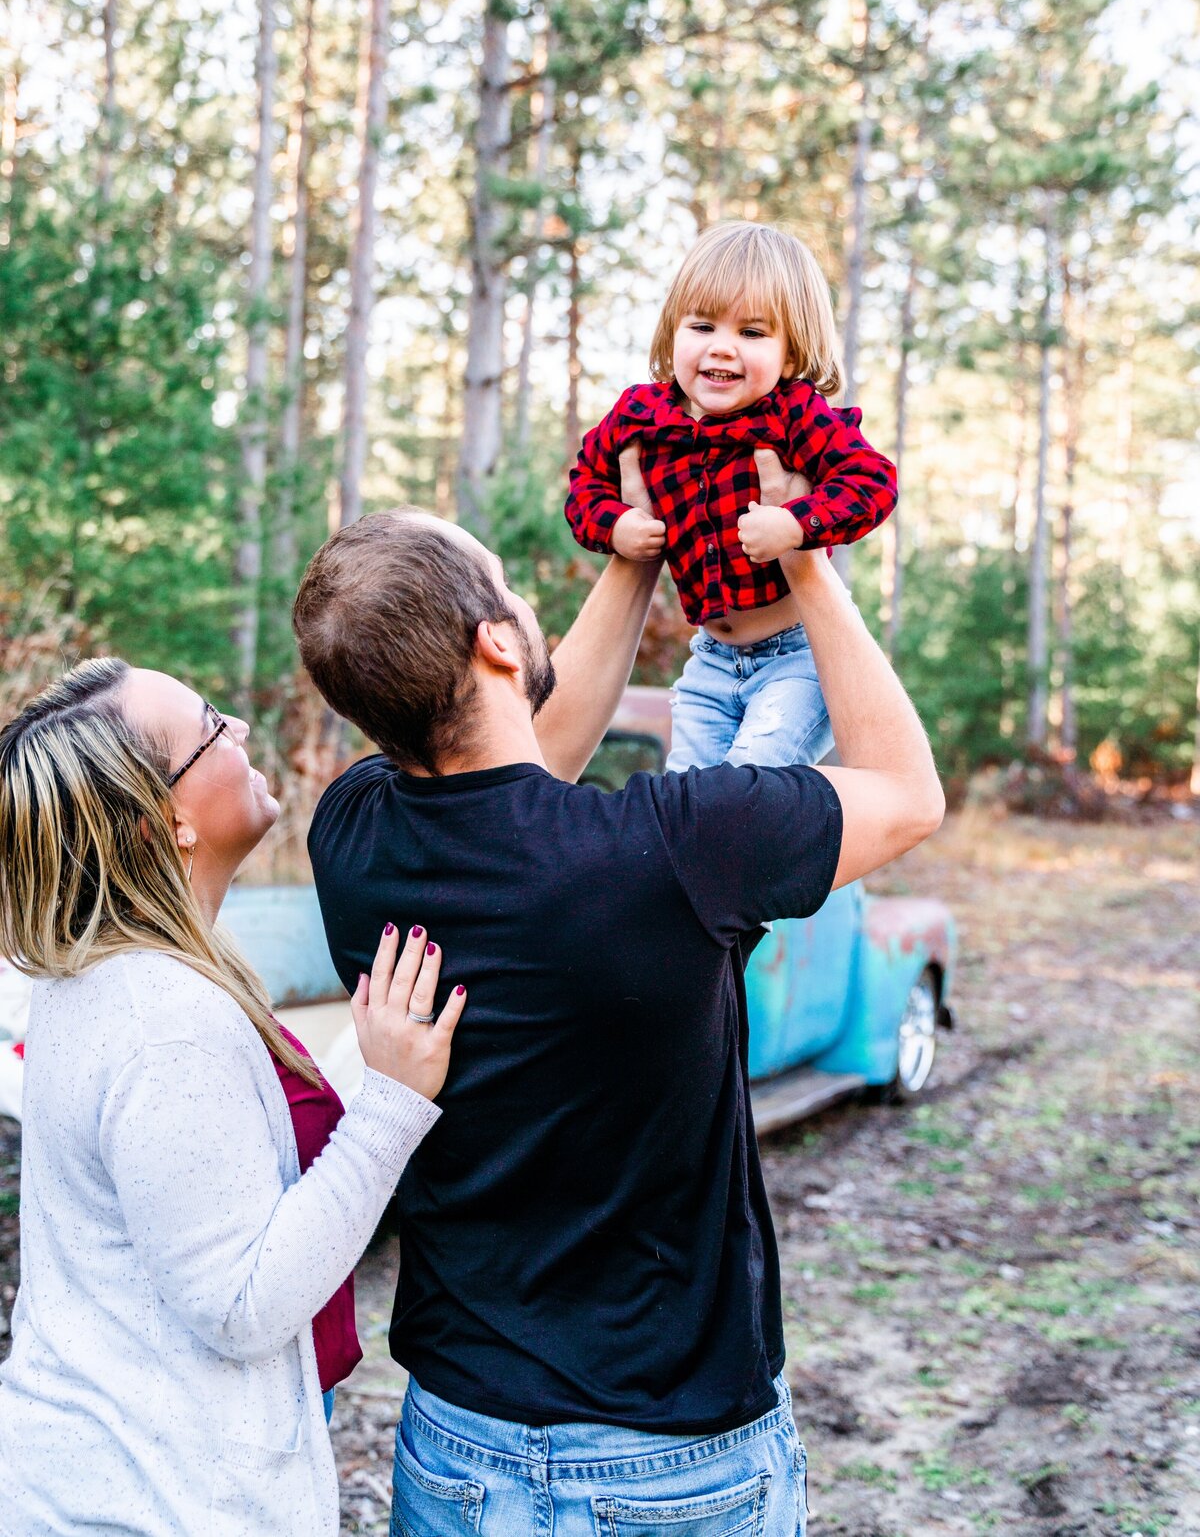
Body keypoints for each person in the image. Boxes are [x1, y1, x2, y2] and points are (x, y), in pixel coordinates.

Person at [292, 501, 943, 1537]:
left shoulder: (353, 834)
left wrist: (634, 565)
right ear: (496, 640)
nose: (523, 597)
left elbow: (514, 768)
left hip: (457, 1438)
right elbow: (908, 793)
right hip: (674, 1460)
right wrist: (811, 573)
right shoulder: (683, 848)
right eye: (508, 585)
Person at [0, 659, 465, 1537]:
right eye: (213, 726)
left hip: (106, 1475)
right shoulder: (161, 1017)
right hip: (153, 1504)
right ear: (163, 822)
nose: (242, 733)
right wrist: (392, 1102)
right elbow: (240, 1300)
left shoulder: (105, 970)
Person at [565, 220, 898, 771]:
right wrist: (616, 526)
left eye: (752, 333)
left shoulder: (795, 415)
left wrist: (797, 524)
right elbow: (585, 487)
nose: (722, 348)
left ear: (791, 354)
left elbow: (872, 481)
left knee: (749, 787)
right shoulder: (641, 416)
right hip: (711, 662)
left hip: (799, 657)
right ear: (675, 332)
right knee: (688, 799)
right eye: (702, 326)